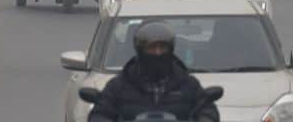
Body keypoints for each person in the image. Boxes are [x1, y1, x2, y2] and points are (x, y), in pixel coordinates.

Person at [88, 22, 220, 122]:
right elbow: (100, 112)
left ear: (171, 48)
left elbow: (206, 108)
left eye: (162, 47)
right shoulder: (119, 85)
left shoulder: (187, 84)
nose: (158, 52)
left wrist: (206, 118)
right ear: (140, 50)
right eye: (152, 48)